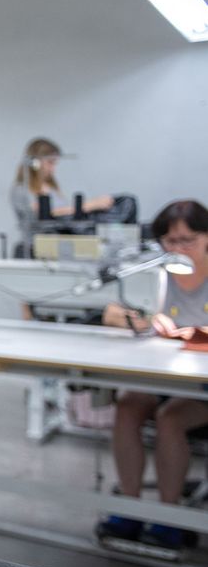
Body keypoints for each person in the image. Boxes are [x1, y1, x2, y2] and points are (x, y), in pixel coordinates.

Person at [98, 199, 208, 549]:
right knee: (128, 406)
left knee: (170, 418)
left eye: (188, 240)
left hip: (201, 387)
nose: (178, 249)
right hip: (161, 375)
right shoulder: (155, 272)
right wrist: (141, 321)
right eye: (170, 241)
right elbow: (111, 313)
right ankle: (128, 509)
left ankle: (169, 518)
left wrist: (192, 332)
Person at [9, 137, 113, 256]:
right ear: (35, 163)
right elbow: (47, 213)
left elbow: (64, 214)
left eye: (55, 163)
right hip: (34, 250)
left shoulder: (51, 188)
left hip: (56, 247)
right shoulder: (21, 189)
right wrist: (89, 205)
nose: (53, 169)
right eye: (50, 163)